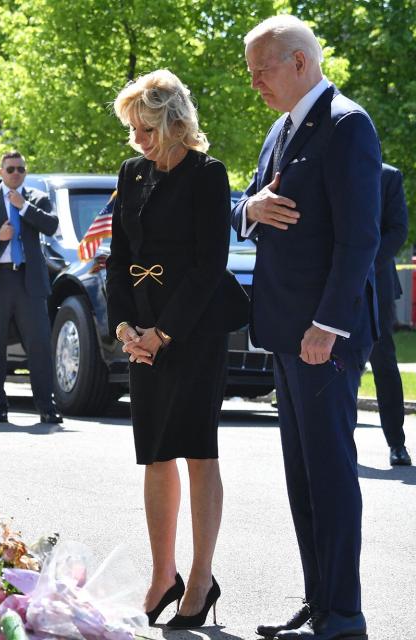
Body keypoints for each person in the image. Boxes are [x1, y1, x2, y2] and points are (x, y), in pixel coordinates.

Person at [232, 15, 380, 640]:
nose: (255, 82)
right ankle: (318, 602)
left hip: (323, 338)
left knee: (330, 472)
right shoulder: (280, 128)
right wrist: (248, 209)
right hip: (286, 332)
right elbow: (247, 199)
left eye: (261, 69)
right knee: (303, 477)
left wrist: (328, 324)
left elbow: (360, 238)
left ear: (299, 62)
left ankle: (343, 612)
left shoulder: (347, 125)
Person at [106, 70, 248, 630]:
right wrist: (125, 330)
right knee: (154, 451)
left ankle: (200, 576)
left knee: (196, 449)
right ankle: (162, 575)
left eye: (146, 127)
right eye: (132, 129)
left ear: (173, 120)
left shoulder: (208, 174)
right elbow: (117, 259)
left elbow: (211, 264)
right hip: (140, 333)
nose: (138, 139)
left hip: (192, 332)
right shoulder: (132, 173)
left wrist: (163, 334)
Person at [0, 151, 62, 425]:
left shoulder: (36, 198)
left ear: (25, 172)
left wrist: (23, 207)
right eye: (10, 169)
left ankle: (46, 406)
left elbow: (51, 225)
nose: (15, 173)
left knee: (39, 344)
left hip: (29, 280)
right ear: (1, 172)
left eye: (20, 169)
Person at [371, 164, 411, 466]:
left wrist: (362, 262)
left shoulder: (388, 176)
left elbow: (397, 230)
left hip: (377, 283)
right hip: (328, 282)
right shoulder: (328, 168)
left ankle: (396, 442)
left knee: (383, 361)